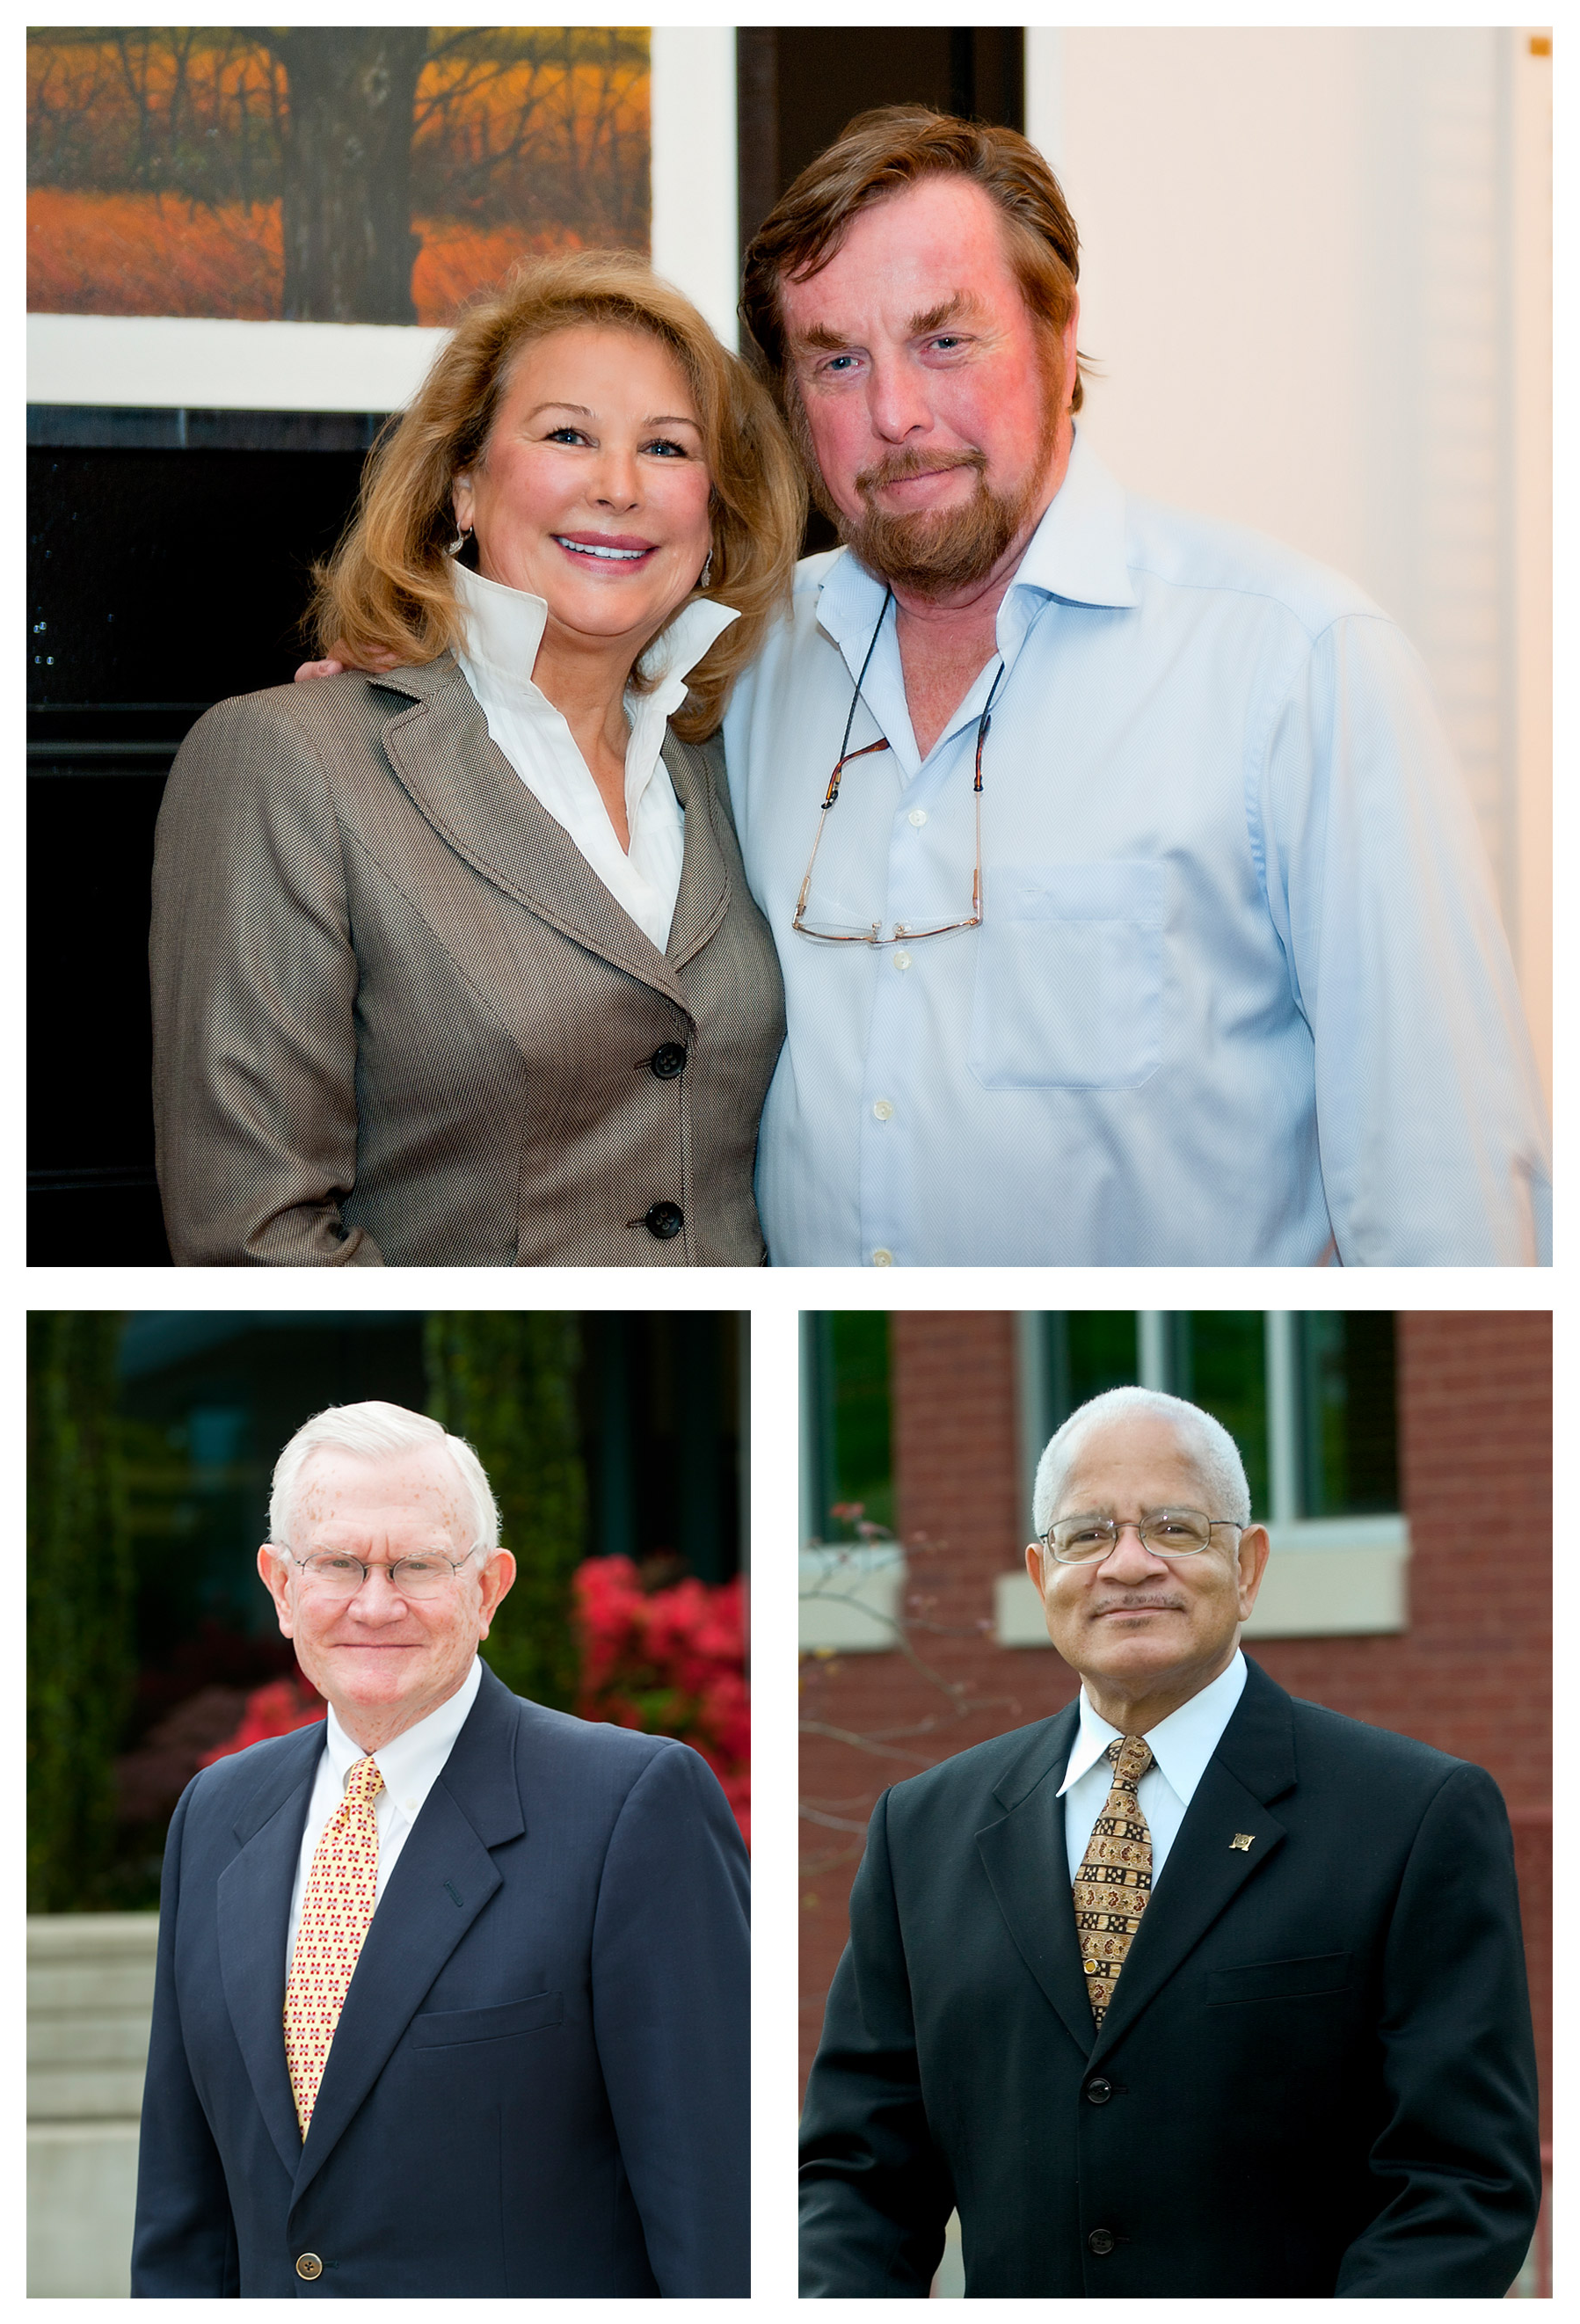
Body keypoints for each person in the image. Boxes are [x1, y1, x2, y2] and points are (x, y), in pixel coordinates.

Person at [724, 108, 1552, 1264]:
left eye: (945, 342)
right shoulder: (749, 667)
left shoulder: (1297, 667)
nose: (895, 415)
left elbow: (1447, 1195)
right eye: (837, 360)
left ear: (1062, 341)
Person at [799, 1386, 1541, 2297]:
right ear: (1041, 1577)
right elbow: (859, 2179)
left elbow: (1459, 2183)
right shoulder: (922, 1832)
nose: (1127, 1565)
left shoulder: (1415, 1817)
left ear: (1250, 1565)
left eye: (1175, 1528)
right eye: (1087, 1536)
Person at [152, 251, 804, 1264]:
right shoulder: (291, 763)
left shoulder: (738, 763)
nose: (619, 486)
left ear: (713, 516)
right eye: (567, 435)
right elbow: (255, 1234)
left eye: (669, 449)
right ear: (463, 484)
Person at [131, 1400, 749, 2297]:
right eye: (339, 1563)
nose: (375, 1604)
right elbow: (181, 2215)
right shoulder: (215, 1815)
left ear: (488, 1588)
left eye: (416, 1565)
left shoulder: (630, 1810)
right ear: (279, 1586)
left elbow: (716, 2213)